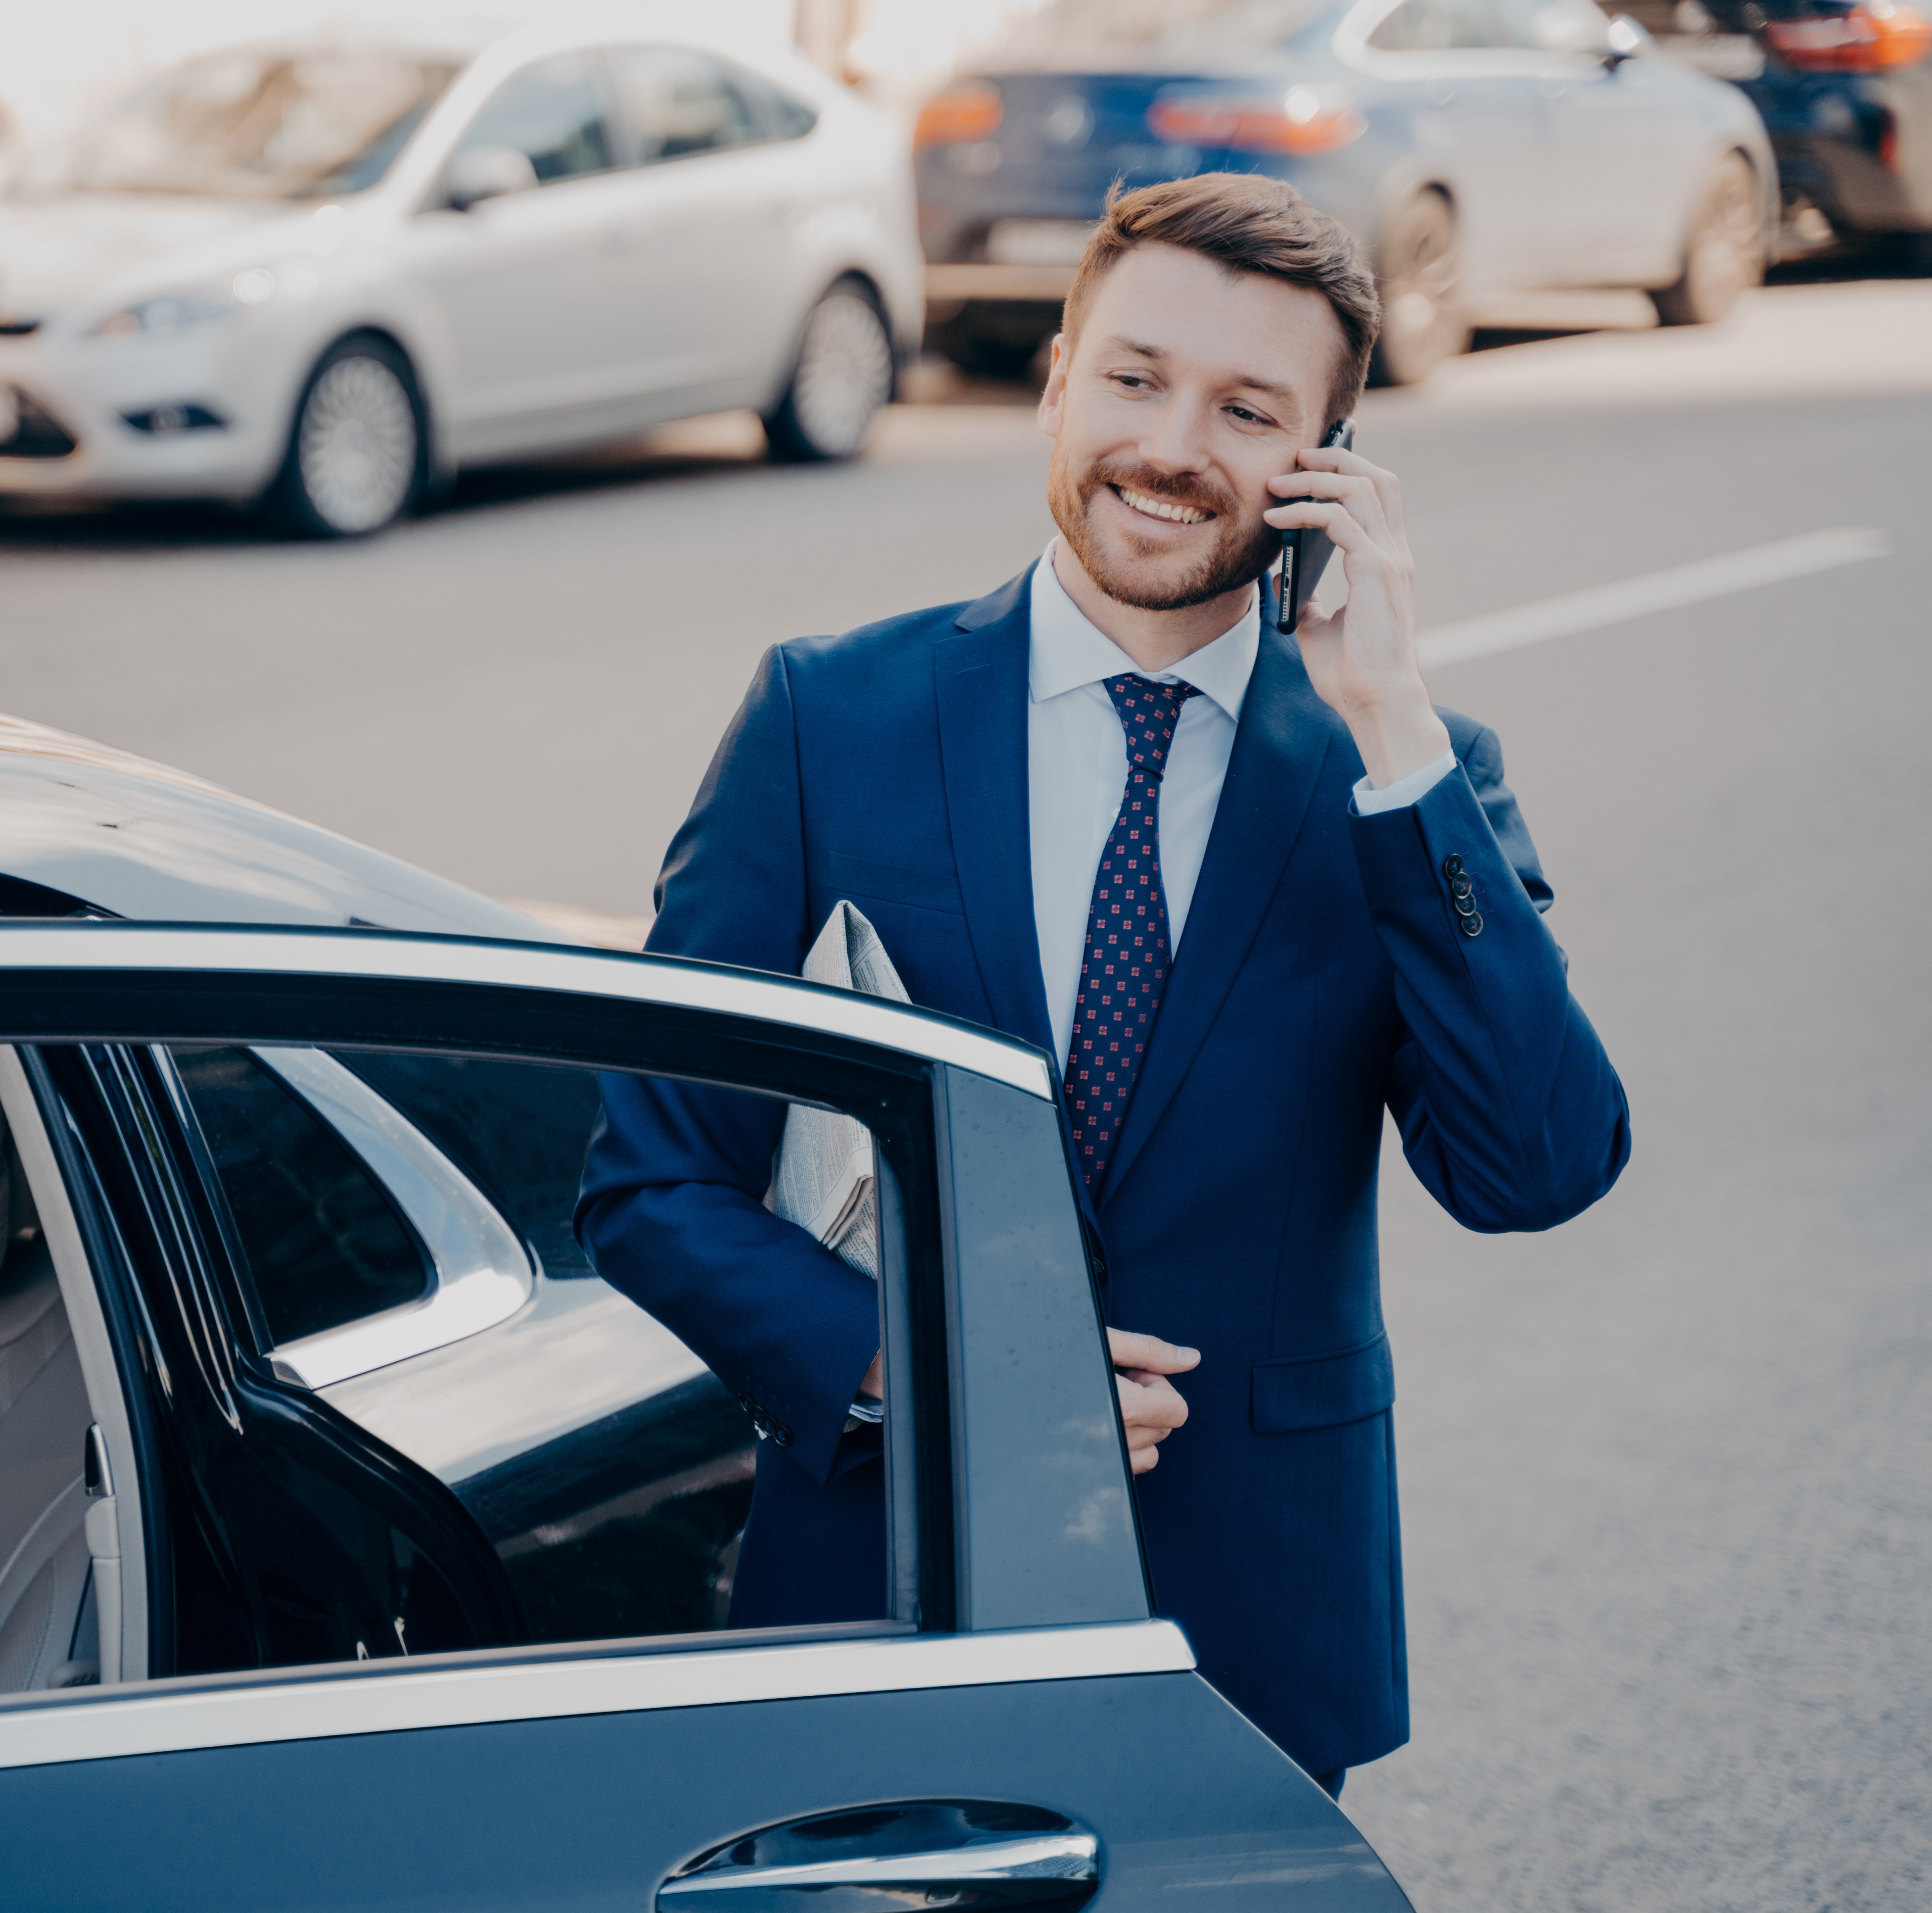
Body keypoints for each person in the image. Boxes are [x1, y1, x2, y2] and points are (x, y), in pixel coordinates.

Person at [575, 173, 1629, 1790]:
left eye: (1248, 409)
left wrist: (1398, 734)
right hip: (882, 1581)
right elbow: (652, 1181)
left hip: (1248, 1629)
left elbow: (1536, 1166)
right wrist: (931, 1368)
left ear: (1324, 470)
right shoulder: (822, 719)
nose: (1171, 443)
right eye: (1135, 376)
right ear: (1060, 378)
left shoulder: (1403, 780)